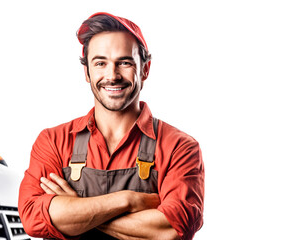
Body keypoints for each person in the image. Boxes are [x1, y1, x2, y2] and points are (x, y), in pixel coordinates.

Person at [18, 12, 204, 240]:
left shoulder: (179, 146)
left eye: (124, 62)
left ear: (145, 69)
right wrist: (128, 200)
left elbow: (171, 231)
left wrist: (76, 209)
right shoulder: (53, 141)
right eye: (100, 63)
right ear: (87, 71)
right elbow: (31, 218)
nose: (112, 75)